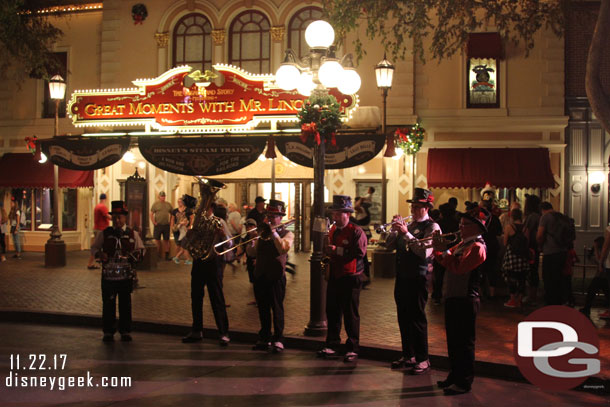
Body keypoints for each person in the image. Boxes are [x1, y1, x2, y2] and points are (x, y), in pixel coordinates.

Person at [433, 203, 489, 395]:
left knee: (464, 343)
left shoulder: (477, 247)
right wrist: (438, 249)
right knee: (453, 341)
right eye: (461, 224)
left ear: (476, 227)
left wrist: (443, 252)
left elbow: (459, 267)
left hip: (466, 299)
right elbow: (445, 260)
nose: (460, 228)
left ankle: (463, 381)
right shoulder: (463, 244)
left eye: (464, 225)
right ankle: (454, 375)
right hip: (453, 296)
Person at [384, 188, 440, 374]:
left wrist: (406, 234)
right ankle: (408, 355)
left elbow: (425, 252)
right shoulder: (408, 226)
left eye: (418, 207)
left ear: (427, 208)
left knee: (417, 318)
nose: (414, 211)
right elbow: (389, 246)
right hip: (402, 276)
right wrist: (393, 231)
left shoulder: (432, 227)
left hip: (419, 277)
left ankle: (423, 359)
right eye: (413, 207)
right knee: (403, 317)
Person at [317, 195, 367, 363]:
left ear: (347, 214)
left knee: (350, 314)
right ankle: (332, 343)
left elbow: (359, 253)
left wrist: (337, 250)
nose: (334, 217)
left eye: (338, 214)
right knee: (332, 311)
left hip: (350, 277)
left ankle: (353, 347)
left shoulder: (356, 231)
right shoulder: (333, 229)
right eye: (334, 214)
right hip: (335, 275)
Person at [182, 190, 232, 346]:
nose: (201, 210)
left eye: (204, 207)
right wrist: (189, 236)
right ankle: (197, 330)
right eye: (200, 207)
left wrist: (222, 235)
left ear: (211, 208)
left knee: (216, 298)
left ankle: (223, 332)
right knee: (196, 297)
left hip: (213, 262)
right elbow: (186, 244)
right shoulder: (197, 222)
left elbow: (230, 244)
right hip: (199, 261)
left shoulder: (219, 222)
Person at [91, 201, 144, 342]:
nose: (117, 220)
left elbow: (140, 250)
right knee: (108, 304)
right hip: (109, 276)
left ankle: (125, 330)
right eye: (114, 217)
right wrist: (100, 255)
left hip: (125, 276)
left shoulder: (133, 234)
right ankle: (108, 331)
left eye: (120, 217)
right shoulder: (105, 233)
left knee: (125, 303)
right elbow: (94, 248)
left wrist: (135, 257)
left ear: (125, 218)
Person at [249, 199, 294, 353]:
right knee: (262, 308)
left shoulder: (287, 233)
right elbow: (252, 253)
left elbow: (283, 249)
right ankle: (264, 337)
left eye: (274, 216)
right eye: (269, 215)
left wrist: (273, 233)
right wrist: (252, 242)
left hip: (276, 276)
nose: (270, 219)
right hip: (260, 275)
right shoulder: (261, 233)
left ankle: (279, 339)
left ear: (281, 218)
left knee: (277, 308)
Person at [536, 202, 568, 305]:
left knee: (549, 278)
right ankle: (560, 300)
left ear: (542, 209)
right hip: (563, 251)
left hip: (550, 251)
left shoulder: (545, 217)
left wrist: (540, 245)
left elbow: (540, 235)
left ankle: (550, 301)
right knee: (559, 277)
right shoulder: (561, 216)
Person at [501, 208, 530, 308]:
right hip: (522, 256)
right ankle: (520, 299)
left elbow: (505, 243)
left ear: (512, 216)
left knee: (511, 277)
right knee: (522, 278)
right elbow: (527, 242)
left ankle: (512, 299)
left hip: (512, 256)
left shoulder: (509, 227)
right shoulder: (526, 228)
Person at [432, 203, 460, 305]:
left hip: (441, 250)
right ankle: (451, 295)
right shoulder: (456, 223)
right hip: (453, 250)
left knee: (438, 274)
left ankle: (437, 296)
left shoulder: (438, 223)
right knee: (452, 274)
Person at [581, 236, 610, 318]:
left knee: (591, 290)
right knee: (602, 291)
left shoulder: (604, 251)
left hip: (601, 275)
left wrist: (596, 250)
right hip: (602, 275)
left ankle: (587, 309)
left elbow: (599, 259)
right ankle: (587, 308)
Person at [523, 194, 542, 304]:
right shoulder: (538, 216)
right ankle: (532, 294)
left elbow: (527, 232)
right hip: (535, 247)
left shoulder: (532, 217)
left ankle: (532, 295)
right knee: (533, 270)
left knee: (531, 270)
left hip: (531, 247)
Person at [87, 193, 111, 269]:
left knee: (98, 247)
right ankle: (90, 264)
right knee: (98, 247)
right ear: (105, 199)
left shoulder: (97, 206)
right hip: (101, 229)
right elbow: (108, 216)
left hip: (97, 228)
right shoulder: (103, 207)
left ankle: (96, 262)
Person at [170, 196, 194, 265]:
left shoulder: (188, 210)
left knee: (184, 245)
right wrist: (171, 227)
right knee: (178, 244)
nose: (179, 203)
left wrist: (190, 226)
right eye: (178, 202)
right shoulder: (175, 211)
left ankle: (178, 257)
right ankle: (177, 258)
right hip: (177, 229)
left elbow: (192, 218)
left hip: (184, 229)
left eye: (180, 202)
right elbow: (172, 219)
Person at [150, 191, 173, 261]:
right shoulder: (155, 204)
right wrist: (154, 222)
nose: (163, 197)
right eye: (161, 196)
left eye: (164, 196)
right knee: (157, 240)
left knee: (166, 240)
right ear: (159, 197)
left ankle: (167, 255)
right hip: (158, 225)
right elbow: (151, 213)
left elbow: (172, 214)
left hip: (166, 225)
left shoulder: (168, 204)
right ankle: (157, 255)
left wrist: (171, 222)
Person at [243, 218, 258, 305]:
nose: (248, 228)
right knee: (253, 281)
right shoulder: (246, 237)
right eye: (247, 227)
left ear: (255, 227)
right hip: (250, 260)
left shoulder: (258, 235)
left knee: (258, 281)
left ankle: (259, 299)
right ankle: (256, 299)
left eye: (250, 226)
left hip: (256, 260)